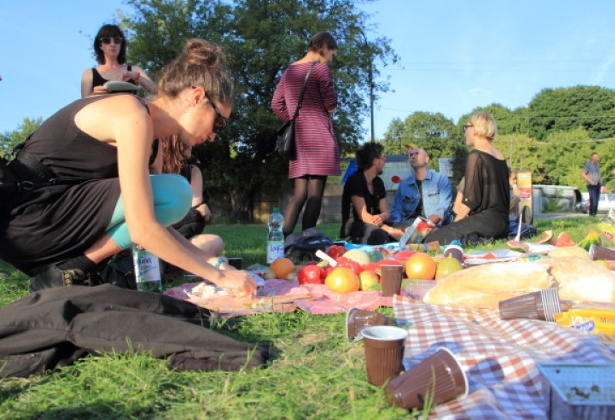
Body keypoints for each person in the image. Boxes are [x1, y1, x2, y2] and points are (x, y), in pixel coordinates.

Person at [0, 39, 256, 296]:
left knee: (169, 196)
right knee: (176, 193)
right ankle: (69, 269)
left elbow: (153, 221)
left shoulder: (151, 140)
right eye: (219, 122)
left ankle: (70, 268)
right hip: (25, 219)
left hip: (48, 221)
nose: (214, 135)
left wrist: (217, 265)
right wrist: (218, 277)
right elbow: (142, 228)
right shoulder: (131, 114)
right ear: (197, 96)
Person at [271, 31, 341, 237]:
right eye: (332, 54)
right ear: (324, 47)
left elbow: (275, 104)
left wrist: (294, 118)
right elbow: (330, 104)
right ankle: (306, 243)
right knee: (315, 194)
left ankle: (279, 241)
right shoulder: (321, 69)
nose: (331, 59)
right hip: (319, 137)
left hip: (299, 140)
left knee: (299, 194)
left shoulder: (288, 72)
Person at [424, 113, 510, 245]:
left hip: (485, 223)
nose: (465, 133)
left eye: (466, 128)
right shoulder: (500, 156)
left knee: (430, 239)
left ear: (474, 129)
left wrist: (455, 224)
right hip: (502, 224)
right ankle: (479, 239)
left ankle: (477, 239)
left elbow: (471, 200)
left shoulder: (476, 156)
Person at [161, 135, 223, 256]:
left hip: (181, 235)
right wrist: (193, 213)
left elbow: (197, 218)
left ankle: (171, 258)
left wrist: (197, 212)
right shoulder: (152, 167)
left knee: (215, 242)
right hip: (155, 234)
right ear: (171, 141)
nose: (192, 144)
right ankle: (174, 258)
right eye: (186, 140)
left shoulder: (192, 171)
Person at [340, 142, 404, 245]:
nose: (385, 160)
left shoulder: (378, 182)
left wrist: (382, 217)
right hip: (357, 227)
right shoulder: (355, 180)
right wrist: (389, 230)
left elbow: (386, 212)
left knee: (405, 228)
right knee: (379, 234)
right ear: (375, 161)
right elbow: (363, 216)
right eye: (382, 157)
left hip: (376, 224)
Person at [80, 24, 157, 98]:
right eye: (106, 40)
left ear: (121, 45)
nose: (112, 44)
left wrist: (137, 77)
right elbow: (83, 104)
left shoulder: (134, 70)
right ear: (100, 45)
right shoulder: (89, 74)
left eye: (117, 40)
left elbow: (156, 91)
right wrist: (94, 94)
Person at [390, 146, 452, 229]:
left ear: (426, 159)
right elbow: (396, 209)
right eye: (411, 155)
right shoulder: (403, 185)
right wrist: (396, 227)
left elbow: (443, 209)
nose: (413, 156)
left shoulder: (441, 179)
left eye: (417, 153)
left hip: (433, 225)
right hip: (409, 225)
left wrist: (422, 227)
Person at [581, 152, 601, 216]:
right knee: (593, 200)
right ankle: (591, 214)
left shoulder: (597, 165)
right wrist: (590, 181)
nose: (596, 158)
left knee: (597, 201)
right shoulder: (588, 165)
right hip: (591, 185)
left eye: (597, 157)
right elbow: (583, 174)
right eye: (595, 157)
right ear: (591, 157)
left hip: (598, 184)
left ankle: (594, 215)